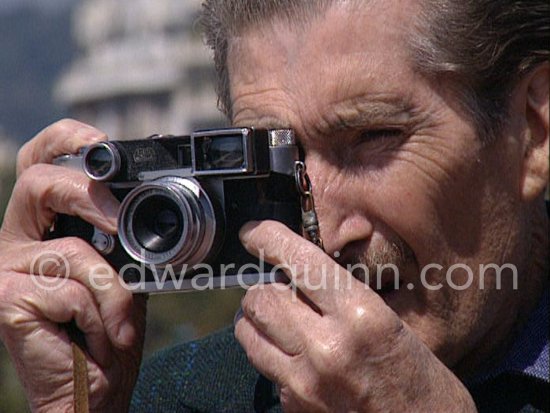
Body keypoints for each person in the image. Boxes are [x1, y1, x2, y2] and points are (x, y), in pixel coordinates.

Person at [0, 0, 548, 411]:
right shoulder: (183, 396)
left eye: (372, 138)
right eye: (276, 165)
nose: (323, 233)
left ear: (534, 130)